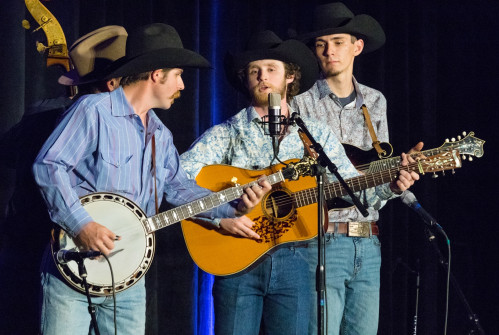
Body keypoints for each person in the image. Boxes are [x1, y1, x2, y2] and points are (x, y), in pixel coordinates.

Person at [32, 23, 270, 335]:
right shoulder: (94, 111)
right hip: (75, 264)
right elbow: (49, 165)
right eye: (178, 75)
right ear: (157, 74)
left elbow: (178, 188)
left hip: (128, 274)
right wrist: (82, 225)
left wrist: (230, 206)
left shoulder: (160, 134)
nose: (182, 85)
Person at [179, 30, 418, 334]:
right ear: (245, 78)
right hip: (238, 259)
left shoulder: (314, 134)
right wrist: (221, 215)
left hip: (296, 260)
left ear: (289, 77)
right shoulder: (228, 133)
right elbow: (177, 180)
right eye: (254, 71)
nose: (262, 76)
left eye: (271, 69)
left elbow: (349, 184)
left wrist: (391, 186)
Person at [292, 3, 423, 334]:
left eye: (338, 42)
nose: (329, 51)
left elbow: (375, 182)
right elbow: (291, 174)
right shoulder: (299, 102)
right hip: (321, 241)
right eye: (321, 44)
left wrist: (394, 186)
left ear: (357, 46)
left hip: (368, 244)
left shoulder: (375, 102)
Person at [0, 25, 127, 334]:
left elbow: (6, 155)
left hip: (21, 249)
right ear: (113, 85)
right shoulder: (112, 124)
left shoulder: (39, 112)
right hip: (76, 254)